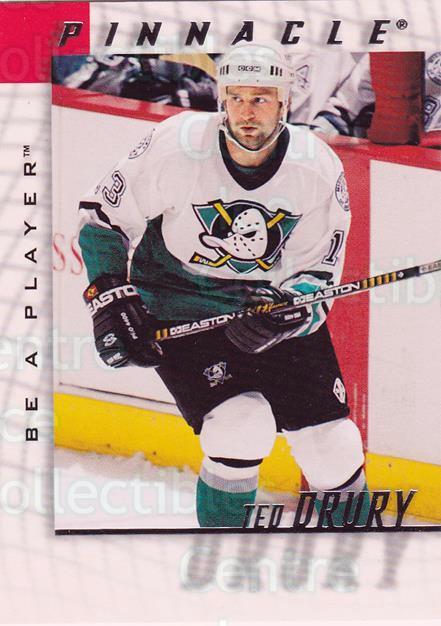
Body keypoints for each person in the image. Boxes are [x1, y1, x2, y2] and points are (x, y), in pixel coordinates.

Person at [78, 40, 370, 528]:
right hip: (179, 302)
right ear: (221, 100)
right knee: (239, 427)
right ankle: (221, 555)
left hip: (264, 306)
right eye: (236, 97)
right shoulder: (177, 145)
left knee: (333, 450)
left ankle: (357, 550)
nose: (247, 112)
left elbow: (318, 274)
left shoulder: (316, 167)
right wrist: (110, 297)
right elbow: (101, 218)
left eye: (261, 98)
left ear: (284, 103)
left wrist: (287, 313)